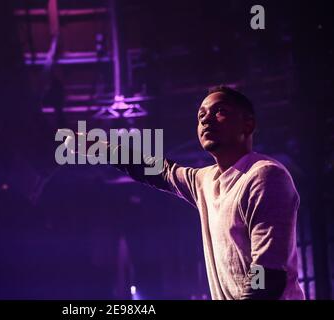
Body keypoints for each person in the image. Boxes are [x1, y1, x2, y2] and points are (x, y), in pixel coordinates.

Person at [61, 85, 305, 300]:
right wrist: (99, 148)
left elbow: (267, 273)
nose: (206, 120)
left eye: (219, 111)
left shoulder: (265, 176)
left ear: (248, 123)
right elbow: (158, 170)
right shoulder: (205, 180)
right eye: (201, 116)